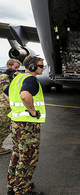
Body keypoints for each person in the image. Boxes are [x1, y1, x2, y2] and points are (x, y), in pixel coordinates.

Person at [3, 55, 45, 195]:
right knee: (28, 157)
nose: (43, 68)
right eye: (40, 66)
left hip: (16, 124)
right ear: (32, 66)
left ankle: (13, 185)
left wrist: (16, 108)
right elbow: (25, 95)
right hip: (27, 125)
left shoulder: (18, 78)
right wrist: (32, 111)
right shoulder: (30, 79)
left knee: (17, 155)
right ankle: (22, 190)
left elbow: (5, 92)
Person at [0, 59, 21, 155]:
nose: (17, 69)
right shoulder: (4, 76)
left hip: (5, 107)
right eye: (15, 67)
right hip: (4, 107)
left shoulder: (8, 76)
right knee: (5, 128)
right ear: (9, 66)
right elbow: (7, 92)